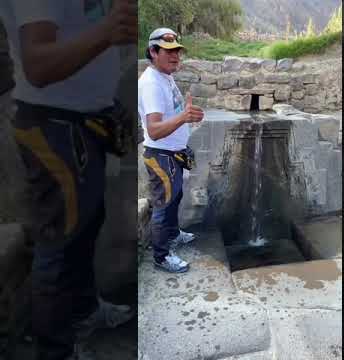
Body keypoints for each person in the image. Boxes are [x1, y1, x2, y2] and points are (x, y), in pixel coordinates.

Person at [0, 1, 136, 359]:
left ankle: (83, 312)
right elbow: (38, 65)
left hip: (81, 122)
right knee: (58, 247)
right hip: (54, 126)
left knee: (86, 225)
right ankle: (56, 350)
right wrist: (108, 31)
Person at [138, 27, 204, 273]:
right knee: (163, 207)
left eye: (177, 50)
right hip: (161, 155)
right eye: (168, 51)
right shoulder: (151, 84)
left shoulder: (165, 75)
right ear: (153, 52)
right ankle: (162, 256)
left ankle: (174, 234)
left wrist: (185, 115)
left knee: (175, 198)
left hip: (175, 152)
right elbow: (154, 129)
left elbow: (172, 115)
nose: (175, 56)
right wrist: (184, 117)